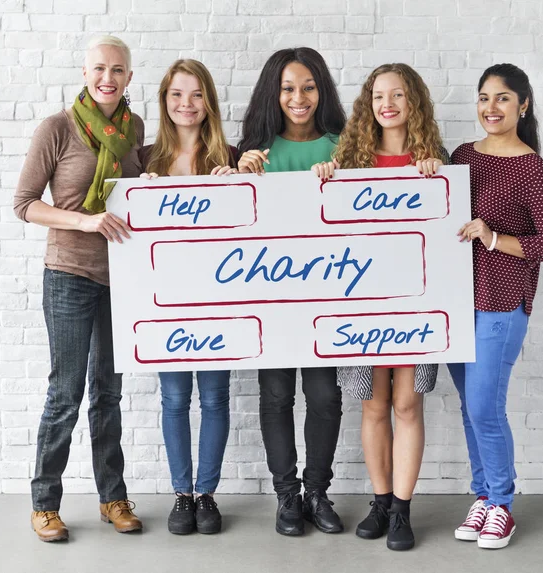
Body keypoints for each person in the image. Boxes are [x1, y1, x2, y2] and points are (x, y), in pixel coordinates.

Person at [14, 35, 144, 542]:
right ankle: (45, 504)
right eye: (98, 69)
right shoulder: (58, 127)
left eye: (117, 70)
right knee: (65, 395)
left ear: (129, 77)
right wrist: (85, 222)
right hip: (68, 275)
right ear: (85, 73)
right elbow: (25, 203)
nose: (107, 78)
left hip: (123, 280)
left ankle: (113, 498)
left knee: (108, 395)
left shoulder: (133, 129)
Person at [314, 63, 447, 551]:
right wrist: (326, 176)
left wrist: (438, 177)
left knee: (408, 403)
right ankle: (381, 500)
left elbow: (446, 233)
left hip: (418, 302)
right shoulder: (349, 161)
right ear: (368, 106)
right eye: (377, 97)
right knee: (373, 403)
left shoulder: (436, 161)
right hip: (363, 302)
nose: (387, 104)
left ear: (415, 102)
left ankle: (404, 512)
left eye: (397, 95)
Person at [450, 63, 543, 549]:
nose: (490, 108)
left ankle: (501, 504)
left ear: (523, 104)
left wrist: (495, 237)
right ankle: (482, 495)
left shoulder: (535, 170)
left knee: (485, 406)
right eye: (483, 97)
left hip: (501, 302)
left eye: (502, 98)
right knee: (469, 407)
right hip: (455, 301)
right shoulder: (460, 156)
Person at [237, 47, 347, 536]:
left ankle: (317, 492)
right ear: (272, 94)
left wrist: (343, 175)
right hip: (272, 300)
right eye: (287, 88)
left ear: (320, 90)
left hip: (328, 299)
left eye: (307, 86)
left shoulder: (342, 146)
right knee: (276, 396)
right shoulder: (255, 151)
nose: (298, 97)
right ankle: (287, 497)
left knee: (324, 397)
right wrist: (237, 178)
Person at [139, 59, 237, 536]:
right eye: (178, 95)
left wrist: (237, 185)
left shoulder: (229, 157)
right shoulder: (145, 159)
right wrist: (141, 194)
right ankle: (182, 495)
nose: (187, 104)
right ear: (164, 102)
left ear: (209, 102)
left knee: (216, 398)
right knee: (175, 399)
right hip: (165, 304)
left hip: (218, 303)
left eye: (197, 95)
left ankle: (207, 495)